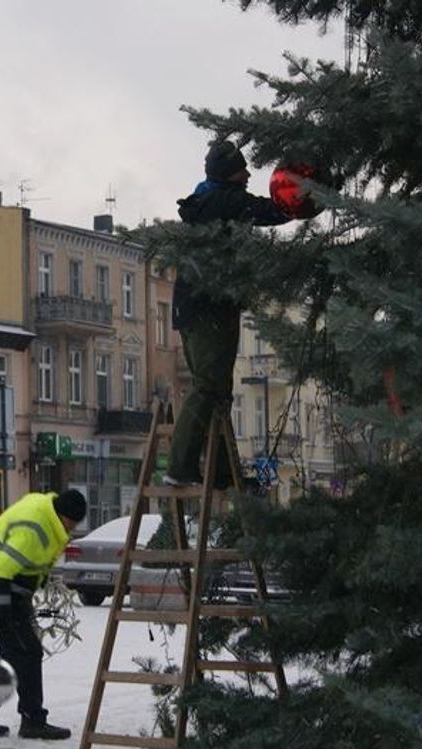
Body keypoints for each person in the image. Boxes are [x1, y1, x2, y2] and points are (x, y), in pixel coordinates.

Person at [165, 139, 293, 488]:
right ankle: (180, 465)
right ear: (229, 174)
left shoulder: (202, 199)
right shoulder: (228, 200)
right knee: (209, 387)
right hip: (213, 308)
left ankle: (223, 472)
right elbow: (272, 212)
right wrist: (305, 197)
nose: (248, 174)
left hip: (189, 307)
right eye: (242, 168)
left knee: (219, 390)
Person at [0, 488, 88, 739]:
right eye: (71, 523)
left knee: (13, 652)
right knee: (28, 651)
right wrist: (1, 614)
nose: (72, 529)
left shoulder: (49, 514)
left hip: (11, 592)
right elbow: (1, 571)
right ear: (63, 514)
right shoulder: (34, 530)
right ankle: (32, 720)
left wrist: (35, 586)